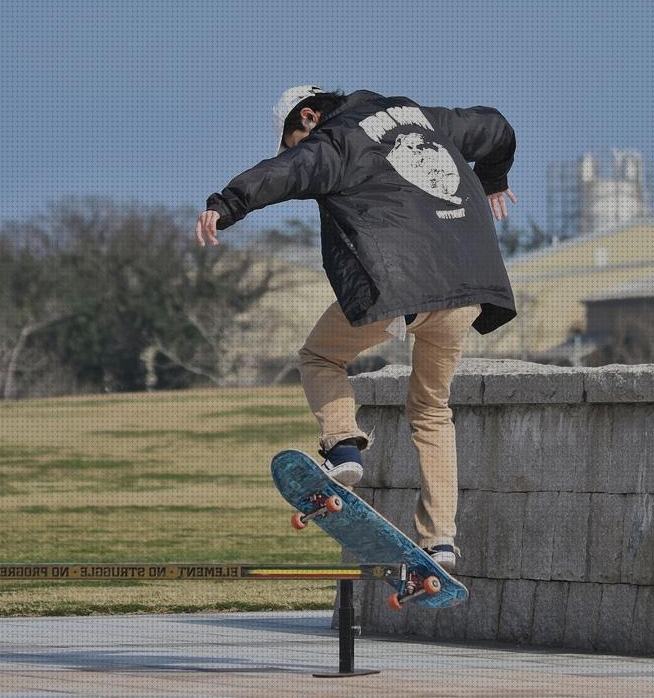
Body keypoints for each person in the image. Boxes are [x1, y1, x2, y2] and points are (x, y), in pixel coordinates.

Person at [195, 86, 517, 572]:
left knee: (320, 357)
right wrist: (492, 179)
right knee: (432, 409)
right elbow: (495, 127)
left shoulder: (336, 139)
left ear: (309, 116)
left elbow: (284, 174)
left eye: (293, 140)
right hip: (465, 289)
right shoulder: (427, 119)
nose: (294, 151)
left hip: (397, 286)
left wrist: (226, 205)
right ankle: (441, 541)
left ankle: (343, 446)